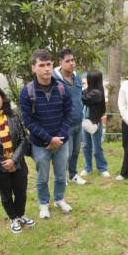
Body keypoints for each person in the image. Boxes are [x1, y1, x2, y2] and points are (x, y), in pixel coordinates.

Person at [20, 49, 74, 219]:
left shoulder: (62, 88)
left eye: (49, 64)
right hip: (40, 144)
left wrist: (58, 138)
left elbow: (68, 115)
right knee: (42, 177)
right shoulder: (27, 92)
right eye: (41, 65)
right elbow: (28, 121)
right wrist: (49, 139)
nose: (46, 69)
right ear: (33, 68)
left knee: (60, 175)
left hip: (62, 142)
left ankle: (59, 199)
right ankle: (43, 204)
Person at [0, 83, 36, 234]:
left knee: (21, 192)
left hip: (18, 163)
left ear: (2, 97)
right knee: (6, 194)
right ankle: (13, 218)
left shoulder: (13, 115)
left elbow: (23, 138)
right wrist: (4, 162)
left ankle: (21, 214)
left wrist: (14, 160)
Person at [52, 48, 87, 185]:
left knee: (76, 152)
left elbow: (80, 98)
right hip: (65, 125)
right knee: (65, 154)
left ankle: (73, 174)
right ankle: (61, 177)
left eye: (73, 60)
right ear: (60, 62)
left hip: (79, 122)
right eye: (68, 61)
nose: (72, 63)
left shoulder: (77, 78)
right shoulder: (55, 80)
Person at [79, 70, 110, 178]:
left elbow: (84, 99)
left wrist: (79, 90)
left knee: (97, 148)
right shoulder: (89, 90)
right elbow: (83, 94)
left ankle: (102, 168)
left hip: (94, 123)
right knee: (86, 146)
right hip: (85, 121)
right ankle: (88, 167)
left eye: (89, 78)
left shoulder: (98, 93)